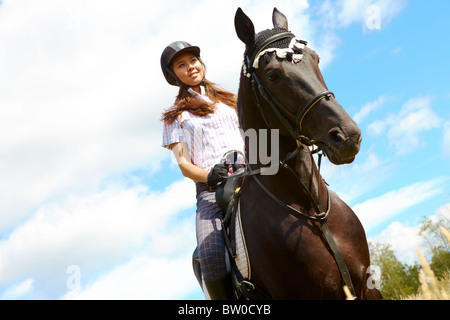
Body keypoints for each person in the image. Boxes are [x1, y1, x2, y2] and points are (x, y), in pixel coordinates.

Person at [160, 41, 244, 299]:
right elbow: (184, 164)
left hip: (251, 176)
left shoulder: (232, 100)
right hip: (212, 191)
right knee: (209, 253)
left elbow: (256, 134)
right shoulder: (175, 117)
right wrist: (209, 175)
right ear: (175, 76)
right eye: (181, 65)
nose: (190, 67)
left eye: (193, 60)